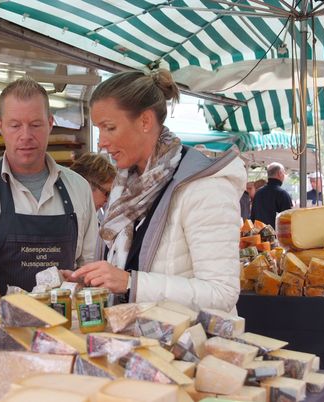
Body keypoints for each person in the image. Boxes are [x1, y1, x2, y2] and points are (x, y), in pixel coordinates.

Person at [69, 69, 246, 312]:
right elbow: (122, 270)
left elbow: (222, 293)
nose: (101, 142)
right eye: (99, 129)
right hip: (137, 342)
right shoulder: (126, 187)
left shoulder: (205, 187)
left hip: (189, 346)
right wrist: (89, 281)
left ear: (145, 121)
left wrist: (131, 283)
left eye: (109, 128)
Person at [0, 77, 98, 294]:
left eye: (35, 125)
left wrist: (81, 282)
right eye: (15, 125)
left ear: (50, 123)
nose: (25, 136)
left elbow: (90, 267)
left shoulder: (79, 188)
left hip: (63, 324)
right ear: (0, 125)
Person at [250, 163, 292, 228]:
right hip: (275, 236)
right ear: (279, 173)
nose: (284, 176)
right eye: (284, 173)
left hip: (258, 234)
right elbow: (288, 220)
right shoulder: (282, 194)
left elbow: (253, 217)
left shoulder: (258, 193)